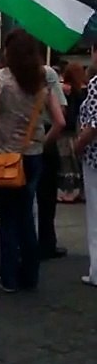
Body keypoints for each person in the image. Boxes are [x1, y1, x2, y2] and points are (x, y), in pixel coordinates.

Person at [0, 29, 65, 293]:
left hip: (5, 156)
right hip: (33, 155)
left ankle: (8, 277)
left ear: (8, 52)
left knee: (8, 217)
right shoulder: (42, 81)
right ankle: (30, 276)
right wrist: (42, 143)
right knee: (27, 214)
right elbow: (60, 122)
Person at [36, 64, 68, 259]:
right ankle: (46, 243)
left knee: (19, 198)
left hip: (16, 138)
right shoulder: (46, 73)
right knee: (46, 196)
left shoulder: (3, 75)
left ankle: (21, 243)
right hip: (45, 134)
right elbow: (61, 112)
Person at [75, 75, 97, 286]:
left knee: (95, 215)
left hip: (94, 158)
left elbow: (93, 125)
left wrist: (78, 145)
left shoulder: (95, 84)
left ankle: (96, 271)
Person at [57, 63, 87, 202]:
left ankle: (68, 190)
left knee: (66, 162)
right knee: (77, 162)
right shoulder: (85, 91)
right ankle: (81, 190)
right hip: (80, 131)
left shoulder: (66, 91)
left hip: (66, 132)